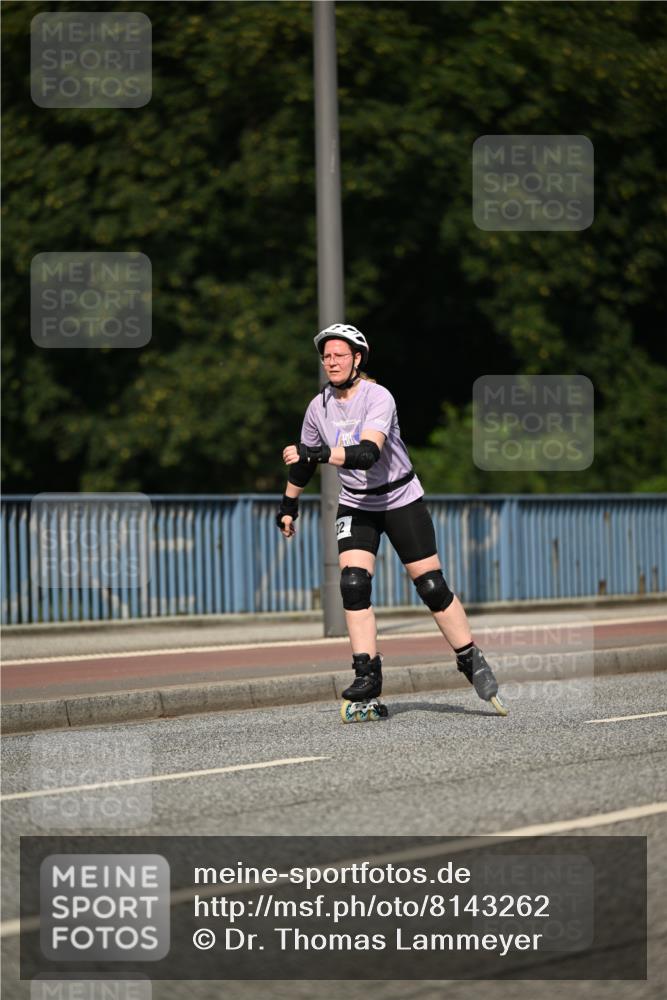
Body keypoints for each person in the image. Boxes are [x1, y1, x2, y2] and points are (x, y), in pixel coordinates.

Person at [277, 323, 507, 719]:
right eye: (326, 356)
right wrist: (288, 505)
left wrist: (313, 452)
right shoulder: (318, 408)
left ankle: (470, 658)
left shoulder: (377, 397)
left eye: (339, 355)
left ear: (357, 359)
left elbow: (366, 454)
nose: (331, 362)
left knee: (431, 587)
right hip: (356, 504)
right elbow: (302, 464)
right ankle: (367, 675)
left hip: (401, 499)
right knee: (353, 584)